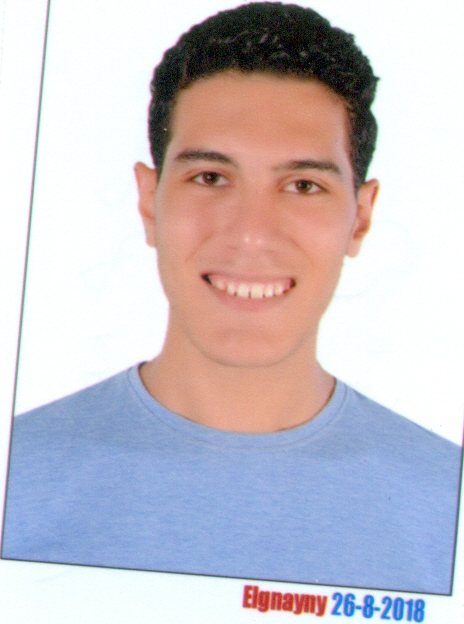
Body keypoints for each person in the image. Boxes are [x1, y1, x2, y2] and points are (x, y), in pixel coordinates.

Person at [2, 2, 461, 594]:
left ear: (360, 218)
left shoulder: (446, 505)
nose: (250, 235)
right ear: (149, 203)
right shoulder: (18, 477)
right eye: (211, 177)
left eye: (303, 185)